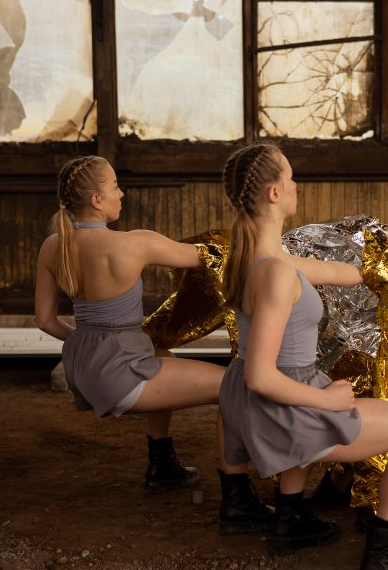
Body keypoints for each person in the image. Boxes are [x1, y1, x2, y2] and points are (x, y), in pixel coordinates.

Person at [219, 143, 388, 570]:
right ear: (275, 193)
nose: (297, 184)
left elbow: (339, 273)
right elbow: (262, 376)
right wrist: (326, 399)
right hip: (281, 407)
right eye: (291, 177)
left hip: (252, 401)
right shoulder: (277, 273)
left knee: (319, 376)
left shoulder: (257, 260)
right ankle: (382, 557)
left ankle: (290, 518)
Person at [34, 155, 271, 533]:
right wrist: (257, 231)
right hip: (119, 373)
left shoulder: (52, 246)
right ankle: (237, 498)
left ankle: (161, 465)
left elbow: (45, 320)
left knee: (162, 354)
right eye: (115, 186)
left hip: (82, 367)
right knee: (233, 385)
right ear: (96, 200)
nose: (121, 193)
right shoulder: (135, 243)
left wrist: (91, 343)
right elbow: (208, 257)